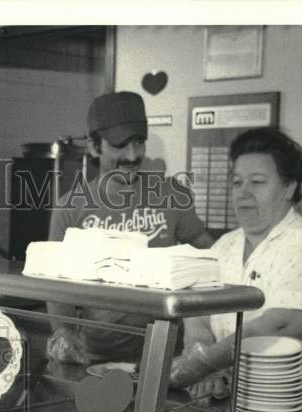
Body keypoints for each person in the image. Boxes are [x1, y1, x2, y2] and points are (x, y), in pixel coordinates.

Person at [168, 127, 302, 410]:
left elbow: (278, 326)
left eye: (257, 182)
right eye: (237, 182)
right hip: (247, 405)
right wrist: (202, 359)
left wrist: (202, 363)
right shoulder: (224, 246)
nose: (243, 193)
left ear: (289, 188)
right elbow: (198, 315)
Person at [46, 90, 213, 365]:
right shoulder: (69, 208)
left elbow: (212, 255)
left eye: (139, 142)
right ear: (94, 146)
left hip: (166, 355)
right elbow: (55, 285)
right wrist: (64, 334)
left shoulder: (171, 195)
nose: (133, 155)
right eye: (120, 145)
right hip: (94, 358)